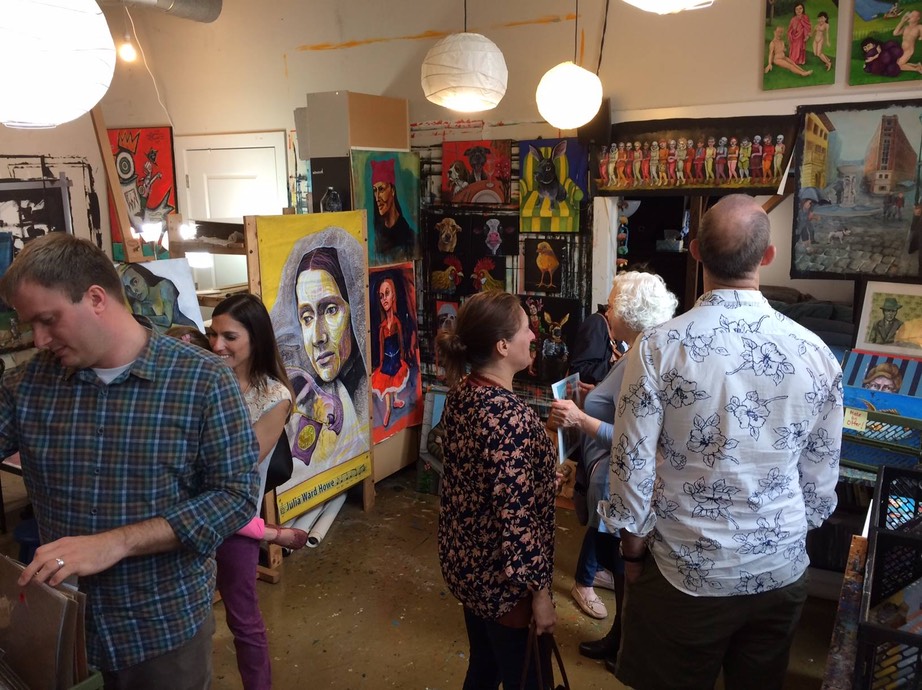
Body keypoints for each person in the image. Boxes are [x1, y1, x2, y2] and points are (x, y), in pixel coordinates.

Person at [601, 194, 842, 690]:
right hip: (780, 571)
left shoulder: (659, 348)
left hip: (685, 573)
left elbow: (631, 465)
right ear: (767, 257)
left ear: (694, 252)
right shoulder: (817, 354)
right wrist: (786, 534)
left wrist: (631, 550)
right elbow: (820, 480)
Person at [0, 232, 260, 688]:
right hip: (65, 633)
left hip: (162, 633)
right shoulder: (28, 386)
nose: (39, 340)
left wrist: (116, 542)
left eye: (48, 320)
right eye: (29, 326)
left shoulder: (202, 381)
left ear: (96, 298)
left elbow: (235, 497)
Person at [547, 271, 678, 674]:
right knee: (622, 574)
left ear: (628, 311)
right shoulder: (643, 348)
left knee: (626, 573)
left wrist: (580, 419)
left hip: (620, 482)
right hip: (615, 481)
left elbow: (633, 437)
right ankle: (622, 640)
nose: (607, 310)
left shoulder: (644, 353)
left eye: (612, 303)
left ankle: (624, 647)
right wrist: (594, 396)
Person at [436, 290, 558, 689]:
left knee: (484, 668)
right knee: (526, 677)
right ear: (503, 345)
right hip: (507, 589)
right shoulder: (507, 417)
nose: (534, 337)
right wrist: (539, 594)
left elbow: (483, 481)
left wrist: (538, 478)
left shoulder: (464, 394)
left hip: (471, 570)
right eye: (526, 329)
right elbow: (516, 520)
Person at [206, 293, 305, 690]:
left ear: (256, 338)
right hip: (197, 507)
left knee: (242, 618)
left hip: (233, 514)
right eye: (213, 335)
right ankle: (267, 532)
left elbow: (239, 460)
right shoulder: (207, 376)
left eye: (229, 336)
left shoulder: (274, 396)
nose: (217, 346)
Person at [269, 229, 370, 477]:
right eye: (306, 317)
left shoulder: (364, 397)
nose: (317, 337)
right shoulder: (296, 392)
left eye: (330, 309)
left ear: (354, 309)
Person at [371, 276, 409, 427]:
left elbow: (401, 341)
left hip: (396, 358)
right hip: (386, 360)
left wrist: (403, 356)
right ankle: (387, 409)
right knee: (387, 382)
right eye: (381, 296)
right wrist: (380, 363)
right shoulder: (382, 327)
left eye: (387, 293)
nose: (384, 299)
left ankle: (396, 400)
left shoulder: (397, 323)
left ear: (393, 296)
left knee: (395, 379)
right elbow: (381, 345)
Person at [119, 263, 198, 333]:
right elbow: (139, 328)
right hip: (163, 338)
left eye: (135, 282)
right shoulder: (137, 303)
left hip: (186, 330)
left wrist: (142, 318)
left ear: (144, 276)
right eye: (128, 288)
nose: (133, 291)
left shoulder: (164, 286)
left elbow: (167, 321)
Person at [371, 158, 417, 261]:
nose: (377, 197)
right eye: (375, 191)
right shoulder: (378, 237)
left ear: (392, 190)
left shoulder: (409, 237)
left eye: (381, 189)